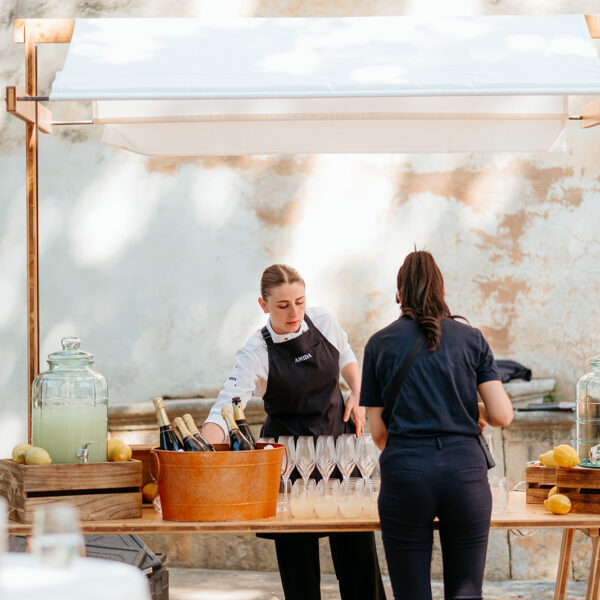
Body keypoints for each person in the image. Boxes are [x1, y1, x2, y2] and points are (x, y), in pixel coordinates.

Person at [203, 263, 387, 600]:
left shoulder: (324, 321)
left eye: (300, 302)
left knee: (359, 560)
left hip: (340, 451)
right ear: (264, 306)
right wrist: (204, 448)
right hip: (291, 464)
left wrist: (359, 391)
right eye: (283, 305)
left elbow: (345, 353)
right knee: (299, 571)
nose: (294, 313)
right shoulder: (255, 352)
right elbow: (225, 407)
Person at [359, 250, 513, 600]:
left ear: (399, 295)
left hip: (407, 473)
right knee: (466, 591)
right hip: (465, 473)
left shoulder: (379, 344)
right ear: (442, 291)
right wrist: (468, 411)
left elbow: (379, 433)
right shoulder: (471, 339)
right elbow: (502, 415)